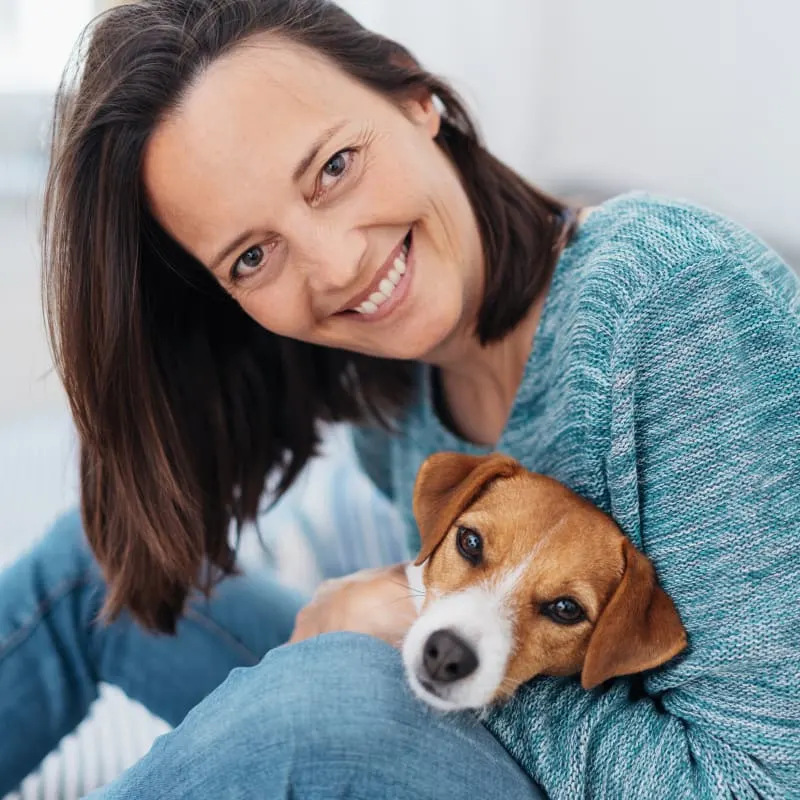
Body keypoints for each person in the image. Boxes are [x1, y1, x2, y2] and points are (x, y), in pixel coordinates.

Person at [0, 0, 797, 797]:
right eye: (251, 256)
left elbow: (765, 780)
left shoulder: (673, 302)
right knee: (91, 574)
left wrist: (429, 643)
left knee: (325, 698)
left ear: (417, 99)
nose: (338, 265)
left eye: (334, 167)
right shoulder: (393, 394)